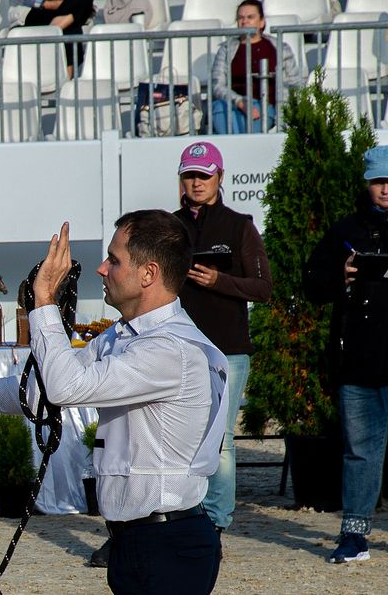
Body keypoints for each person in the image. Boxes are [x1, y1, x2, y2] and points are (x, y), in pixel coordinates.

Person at [0, 210, 227, 595]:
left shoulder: (170, 349)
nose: (101, 269)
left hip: (168, 544)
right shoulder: (124, 337)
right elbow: (42, 391)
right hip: (136, 541)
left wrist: (44, 300)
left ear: (148, 274)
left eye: (114, 260)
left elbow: (64, 387)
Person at [172, 141, 272, 540]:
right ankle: (184, 511)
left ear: (220, 177)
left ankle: (216, 519)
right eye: (190, 175)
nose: (197, 183)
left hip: (228, 349)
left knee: (222, 438)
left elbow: (263, 288)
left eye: (204, 175)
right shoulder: (170, 226)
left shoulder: (240, 226)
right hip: (180, 347)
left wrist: (219, 280)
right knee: (181, 435)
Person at [304, 145, 388, 565]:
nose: (386, 189)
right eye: (378, 181)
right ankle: (354, 536)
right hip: (357, 361)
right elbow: (311, 284)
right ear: (366, 184)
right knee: (360, 452)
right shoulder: (345, 231)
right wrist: (341, 274)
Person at [210, 0, 303, 134]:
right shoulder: (225, 49)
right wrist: (240, 102)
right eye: (240, 18)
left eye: (250, 17)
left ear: (261, 22)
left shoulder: (280, 48)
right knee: (220, 109)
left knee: (248, 137)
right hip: (230, 103)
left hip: (263, 106)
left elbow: (294, 82)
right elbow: (217, 85)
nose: (244, 21)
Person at [9, 0, 95, 78]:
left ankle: (55, 28)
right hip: (35, 9)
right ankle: (67, 78)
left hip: (66, 5)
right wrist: (46, 4)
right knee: (71, 23)